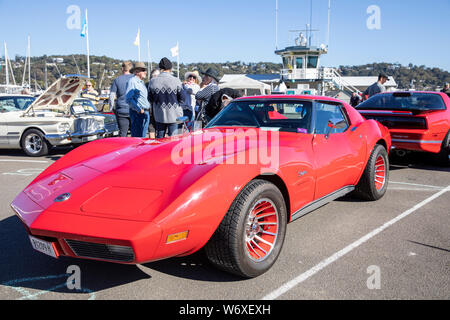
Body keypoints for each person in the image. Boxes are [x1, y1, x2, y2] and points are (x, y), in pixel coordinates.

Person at [148, 57, 184, 139]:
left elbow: (150, 99)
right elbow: (183, 98)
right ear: (170, 68)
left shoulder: (152, 81)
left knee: (159, 139)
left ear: (160, 68)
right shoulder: (176, 80)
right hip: (175, 115)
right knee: (174, 140)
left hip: (159, 115)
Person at [125, 62, 151, 138]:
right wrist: (138, 109)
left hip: (144, 112)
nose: (145, 72)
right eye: (143, 70)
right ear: (136, 72)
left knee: (142, 138)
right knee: (138, 139)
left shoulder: (141, 82)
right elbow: (128, 99)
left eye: (145, 70)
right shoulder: (133, 81)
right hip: (138, 113)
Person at [109, 61, 134, 137]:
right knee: (135, 133)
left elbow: (111, 96)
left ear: (122, 68)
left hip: (121, 110)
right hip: (134, 110)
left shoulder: (117, 80)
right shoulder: (135, 79)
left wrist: (111, 108)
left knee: (123, 133)